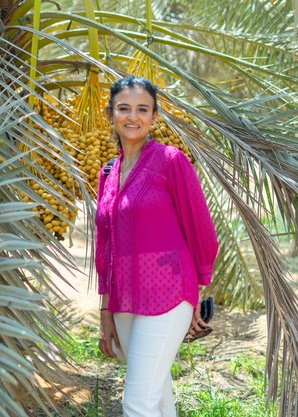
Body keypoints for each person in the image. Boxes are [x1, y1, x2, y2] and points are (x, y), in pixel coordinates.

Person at [94, 76, 218, 417]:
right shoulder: (108, 173)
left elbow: (201, 229)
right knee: (157, 396)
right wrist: (105, 309)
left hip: (168, 295)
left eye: (142, 109)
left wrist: (196, 292)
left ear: (154, 116)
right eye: (124, 108)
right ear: (110, 113)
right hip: (124, 300)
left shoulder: (170, 161)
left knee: (137, 402)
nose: (132, 117)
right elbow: (105, 247)